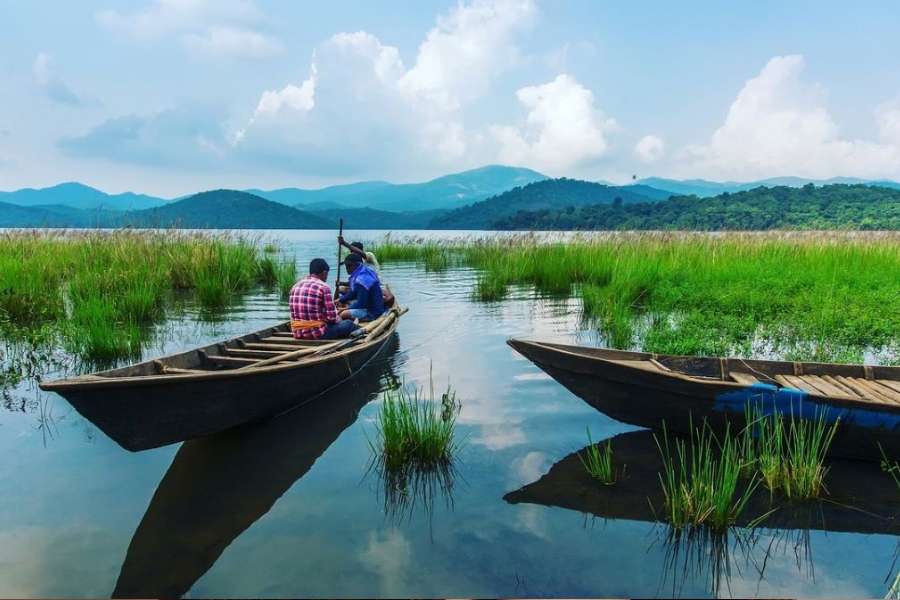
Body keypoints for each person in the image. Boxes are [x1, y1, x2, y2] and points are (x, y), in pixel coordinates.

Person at [289, 258, 358, 340]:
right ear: (324, 273)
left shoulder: (295, 286)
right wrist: (339, 319)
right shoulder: (323, 287)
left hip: (297, 333)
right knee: (348, 324)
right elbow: (332, 318)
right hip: (317, 333)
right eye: (327, 274)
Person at [338, 236, 394, 307]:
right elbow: (357, 283)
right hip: (363, 288)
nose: (352, 254)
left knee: (389, 298)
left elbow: (360, 253)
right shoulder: (355, 263)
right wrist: (340, 283)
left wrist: (344, 243)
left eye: (353, 251)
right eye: (351, 252)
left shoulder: (369, 256)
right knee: (340, 289)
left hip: (378, 286)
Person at [338, 253, 385, 322]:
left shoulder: (362, 279)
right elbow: (353, 292)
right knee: (344, 302)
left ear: (356, 265)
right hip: (371, 306)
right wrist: (340, 300)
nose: (347, 268)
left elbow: (361, 304)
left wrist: (344, 309)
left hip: (373, 312)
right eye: (346, 266)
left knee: (344, 314)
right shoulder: (363, 271)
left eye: (349, 266)